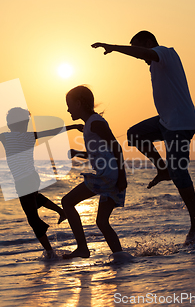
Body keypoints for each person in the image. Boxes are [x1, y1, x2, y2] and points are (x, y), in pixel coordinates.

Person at [92, 31, 195, 244]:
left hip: (181, 123)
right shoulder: (156, 64)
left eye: (141, 51)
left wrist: (114, 47)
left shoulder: (165, 53)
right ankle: (162, 169)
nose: (142, 58)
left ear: (148, 42)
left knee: (179, 171)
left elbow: (144, 53)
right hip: (166, 121)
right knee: (134, 134)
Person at [0, 107, 83, 258]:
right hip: (31, 178)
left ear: (10, 124)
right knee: (35, 198)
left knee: (32, 218)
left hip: (23, 180)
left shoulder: (6, 136)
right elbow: (53, 131)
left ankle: (50, 251)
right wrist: (73, 127)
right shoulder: (29, 135)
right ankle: (60, 212)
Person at [61, 85, 127, 259]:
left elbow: (116, 147)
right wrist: (78, 153)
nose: (67, 109)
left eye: (69, 105)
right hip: (110, 174)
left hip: (108, 174)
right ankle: (120, 257)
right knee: (102, 222)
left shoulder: (96, 123)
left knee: (67, 202)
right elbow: (99, 152)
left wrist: (122, 176)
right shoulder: (91, 124)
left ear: (78, 103)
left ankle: (82, 248)